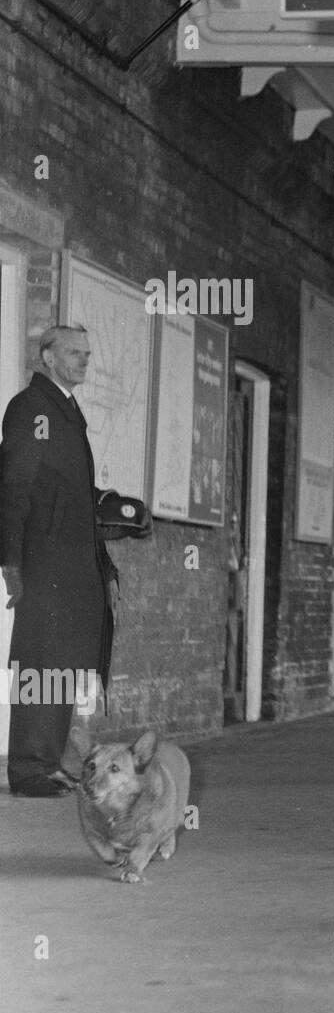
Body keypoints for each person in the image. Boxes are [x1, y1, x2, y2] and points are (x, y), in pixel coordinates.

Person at [3, 325, 117, 796]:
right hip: (45, 556)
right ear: (47, 356)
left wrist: (111, 504)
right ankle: (29, 769)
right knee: (41, 662)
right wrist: (11, 560)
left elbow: (64, 487)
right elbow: (13, 486)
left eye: (87, 354)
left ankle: (46, 762)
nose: (84, 361)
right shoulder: (33, 408)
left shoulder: (65, 409)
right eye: (73, 353)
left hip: (72, 561)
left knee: (64, 661)